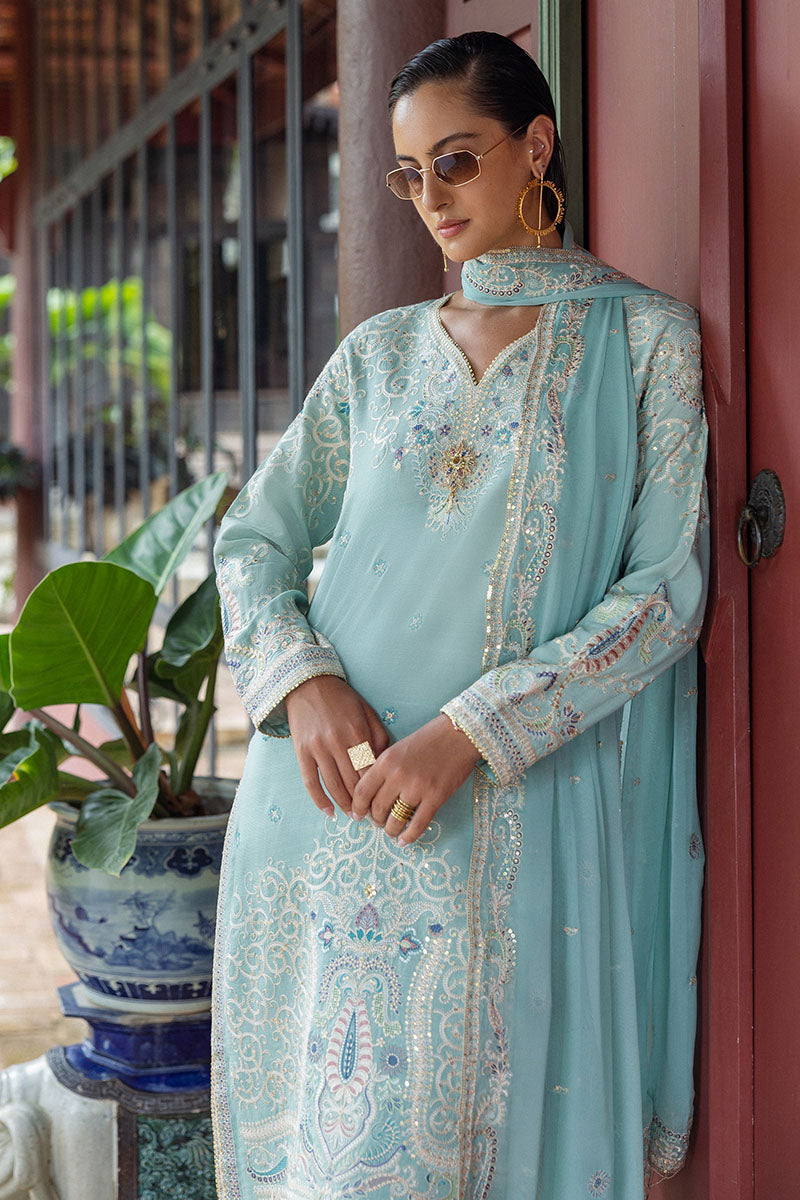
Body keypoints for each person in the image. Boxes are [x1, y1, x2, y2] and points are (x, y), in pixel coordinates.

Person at [211, 30, 708, 1200]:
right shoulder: (378, 357)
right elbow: (251, 538)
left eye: (456, 159)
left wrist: (467, 734)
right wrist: (304, 683)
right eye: (408, 174)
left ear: (535, 144)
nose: (431, 197)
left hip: (502, 804)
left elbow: (663, 595)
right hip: (324, 805)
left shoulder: (644, 345)